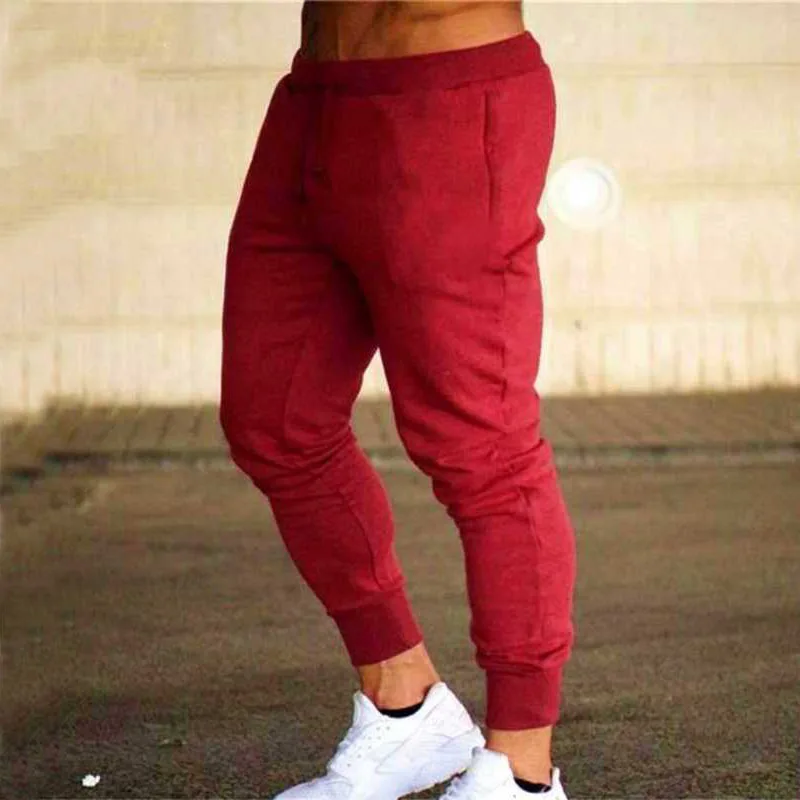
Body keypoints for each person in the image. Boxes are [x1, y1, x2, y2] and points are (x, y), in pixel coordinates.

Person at [219, 2, 577, 798]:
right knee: (273, 421)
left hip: (449, 98)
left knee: (481, 448)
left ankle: (521, 771)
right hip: (314, 99)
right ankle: (405, 707)